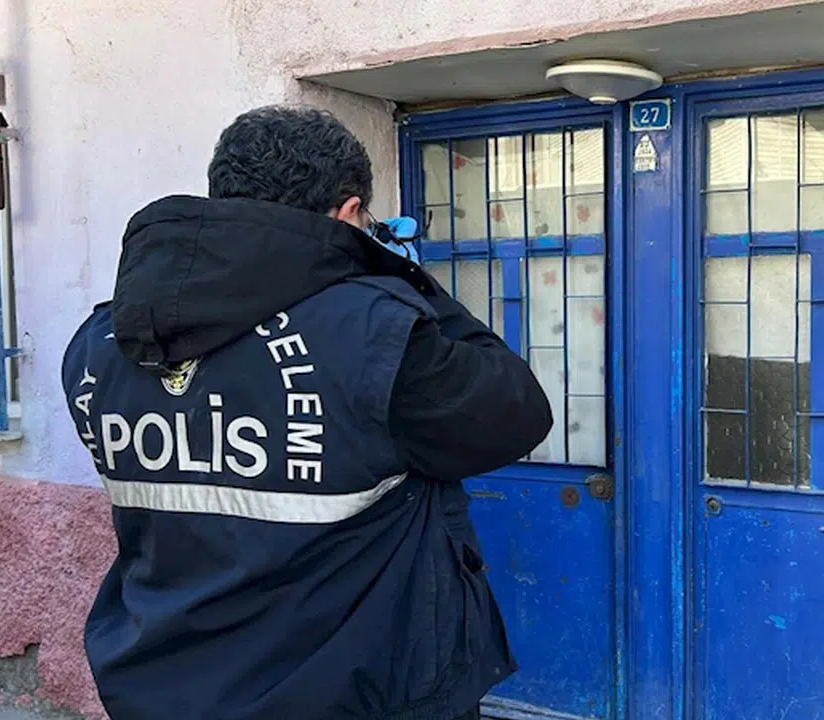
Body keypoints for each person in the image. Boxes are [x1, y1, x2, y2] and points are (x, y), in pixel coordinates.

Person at [60, 105, 554, 720]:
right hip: (351, 694)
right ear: (349, 214)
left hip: (163, 687)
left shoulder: (99, 343)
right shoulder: (372, 333)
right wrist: (401, 276)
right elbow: (515, 411)